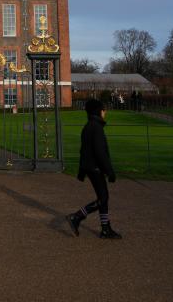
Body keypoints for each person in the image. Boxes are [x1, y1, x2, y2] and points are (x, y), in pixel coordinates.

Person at [66, 98, 121, 239]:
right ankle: (77, 217)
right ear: (98, 111)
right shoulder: (96, 128)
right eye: (103, 109)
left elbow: (84, 151)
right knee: (103, 198)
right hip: (95, 167)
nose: (105, 112)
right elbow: (100, 152)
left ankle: (105, 228)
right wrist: (109, 171)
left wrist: (82, 170)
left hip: (90, 166)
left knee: (103, 197)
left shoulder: (89, 126)